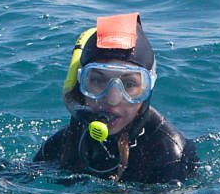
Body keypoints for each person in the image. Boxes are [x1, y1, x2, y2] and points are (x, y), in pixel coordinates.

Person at [34, 12, 198, 183]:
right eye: (98, 80)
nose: (112, 99)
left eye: (129, 84)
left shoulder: (171, 155)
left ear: (148, 88)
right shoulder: (67, 142)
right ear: (80, 83)